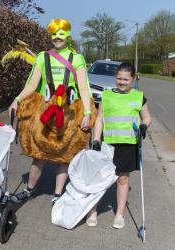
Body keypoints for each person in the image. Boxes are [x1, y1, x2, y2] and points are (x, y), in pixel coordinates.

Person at [8, 18, 93, 204]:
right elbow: (31, 83)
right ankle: (29, 190)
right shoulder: (42, 57)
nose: (57, 37)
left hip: (69, 113)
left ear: (68, 35)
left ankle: (57, 195)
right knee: (39, 154)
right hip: (46, 113)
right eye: (54, 34)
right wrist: (17, 100)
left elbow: (84, 88)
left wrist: (87, 113)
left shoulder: (77, 58)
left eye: (61, 34)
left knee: (65, 155)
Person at [86, 62, 152, 229]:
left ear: (133, 79)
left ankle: (119, 215)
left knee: (122, 179)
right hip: (107, 144)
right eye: (119, 78)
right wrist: (96, 140)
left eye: (126, 79)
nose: (122, 82)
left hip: (128, 145)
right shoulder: (106, 95)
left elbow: (147, 117)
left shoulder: (139, 96)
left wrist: (144, 126)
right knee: (100, 178)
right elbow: (99, 119)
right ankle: (92, 211)